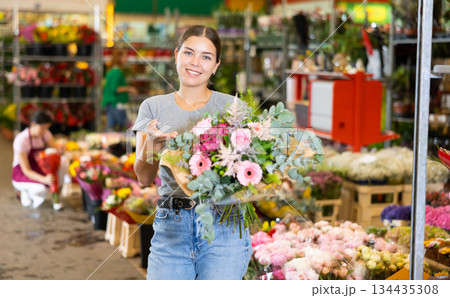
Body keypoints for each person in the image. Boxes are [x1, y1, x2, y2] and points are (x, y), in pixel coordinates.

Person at [133, 25, 252, 280]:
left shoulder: (234, 108)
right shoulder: (152, 108)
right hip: (172, 227)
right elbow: (144, 178)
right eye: (188, 53)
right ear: (176, 54)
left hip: (224, 226)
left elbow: (250, 174)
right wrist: (151, 148)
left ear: (216, 65)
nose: (195, 63)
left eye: (206, 57)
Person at [12, 111, 64, 211]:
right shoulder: (21, 140)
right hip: (23, 171)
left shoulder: (45, 134)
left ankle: (56, 197)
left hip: (41, 166)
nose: (45, 131)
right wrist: (44, 180)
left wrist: (60, 150)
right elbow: (26, 170)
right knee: (41, 189)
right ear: (33, 124)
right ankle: (25, 192)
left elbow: (55, 149)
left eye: (47, 128)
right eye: (43, 128)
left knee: (63, 165)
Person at [102, 48, 138, 131]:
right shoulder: (117, 72)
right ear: (119, 58)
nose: (127, 59)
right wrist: (129, 89)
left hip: (111, 103)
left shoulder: (112, 70)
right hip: (117, 104)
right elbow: (115, 88)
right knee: (126, 128)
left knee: (111, 129)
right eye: (125, 56)